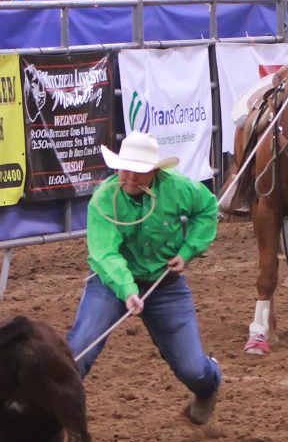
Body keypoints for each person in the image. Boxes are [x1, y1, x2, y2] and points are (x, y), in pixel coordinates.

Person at [67, 131, 222, 425]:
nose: (130, 177)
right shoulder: (103, 201)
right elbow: (105, 254)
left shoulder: (178, 188)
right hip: (111, 285)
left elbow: (207, 207)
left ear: (154, 171)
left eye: (139, 172)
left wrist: (188, 250)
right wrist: (127, 289)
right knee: (79, 350)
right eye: (125, 169)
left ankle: (208, 383)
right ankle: (50, 418)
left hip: (165, 285)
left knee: (193, 370)